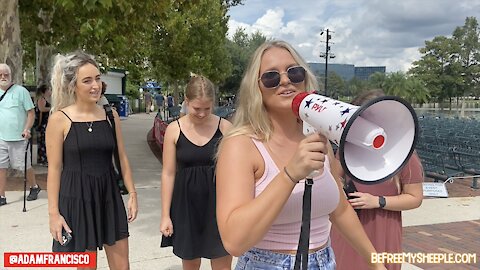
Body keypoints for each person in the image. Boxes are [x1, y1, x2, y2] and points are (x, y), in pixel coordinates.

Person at [215, 40, 386, 270]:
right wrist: (289, 175)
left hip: (324, 261)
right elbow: (234, 241)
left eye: (294, 73)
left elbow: (340, 209)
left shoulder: (317, 137)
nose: (285, 80)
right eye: (271, 77)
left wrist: (376, 263)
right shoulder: (241, 145)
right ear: (256, 88)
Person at [46, 51, 138, 268]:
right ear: (73, 85)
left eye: (97, 78)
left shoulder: (110, 115)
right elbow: (55, 169)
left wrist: (132, 193)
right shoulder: (59, 120)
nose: (95, 85)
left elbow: (121, 157)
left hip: (109, 196)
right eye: (87, 80)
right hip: (75, 199)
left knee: (122, 266)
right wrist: (53, 214)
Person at [330, 89, 424, 270]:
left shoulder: (405, 155)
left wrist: (377, 201)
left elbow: (415, 198)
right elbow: (333, 178)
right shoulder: (347, 149)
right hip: (349, 227)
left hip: (383, 228)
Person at [160, 75, 233, 270]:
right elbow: (168, 173)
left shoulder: (226, 128)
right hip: (186, 206)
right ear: (186, 101)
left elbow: (237, 173)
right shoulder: (174, 130)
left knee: (222, 265)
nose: (202, 114)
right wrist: (165, 215)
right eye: (196, 109)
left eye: (207, 109)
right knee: (190, 265)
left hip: (219, 205)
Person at [0, 63, 41, 206]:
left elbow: (31, 112)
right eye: (0, 75)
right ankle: (1, 196)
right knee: (1, 167)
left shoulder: (21, 91)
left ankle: (34, 187)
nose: (3, 77)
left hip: (19, 137)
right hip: (1, 138)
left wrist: (27, 129)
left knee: (25, 166)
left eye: (6, 74)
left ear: (11, 76)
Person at [35, 84, 51, 166]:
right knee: (42, 141)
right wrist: (51, 108)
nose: (50, 91)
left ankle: (45, 158)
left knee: (45, 141)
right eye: (48, 89)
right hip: (43, 124)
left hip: (47, 123)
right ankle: (42, 159)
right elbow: (41, 109)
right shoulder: (41, 99)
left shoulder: (47, 99)